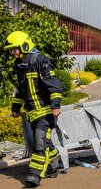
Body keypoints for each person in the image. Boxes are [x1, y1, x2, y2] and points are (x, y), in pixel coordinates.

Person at [4, 31, 62, 187]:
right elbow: (19, 91)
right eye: (11, 49)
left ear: (24, 45)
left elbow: (53, 83)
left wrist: (56, 104)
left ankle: (34, 175)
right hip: (32, 113)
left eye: (15, 48)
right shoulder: (19, 65)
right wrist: (15, 108)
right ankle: (55, 166)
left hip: (47, 112)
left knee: (39, 142)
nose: (13, 52)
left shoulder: (40, 61)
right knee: (45, 142)